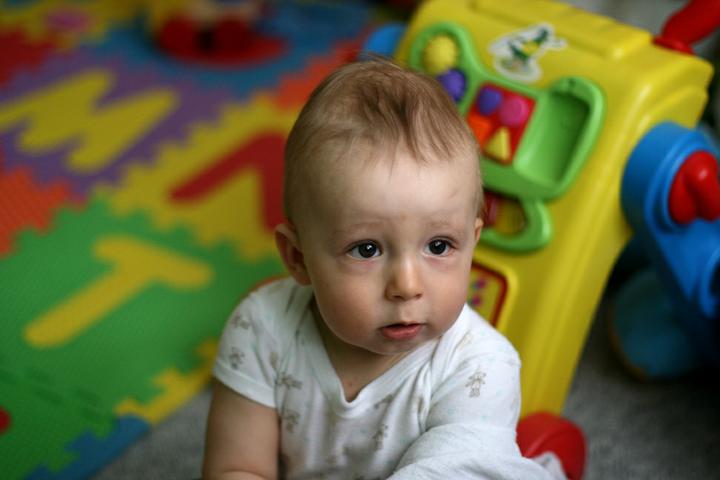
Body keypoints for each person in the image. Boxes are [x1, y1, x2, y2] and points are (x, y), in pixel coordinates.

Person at [202, 57, 567, 480]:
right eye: (367, 249)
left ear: (472, 243)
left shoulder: (481, 369)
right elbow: (238, 467)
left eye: (438, 245)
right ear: (298, 258)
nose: (407, 286)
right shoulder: (262, 328)